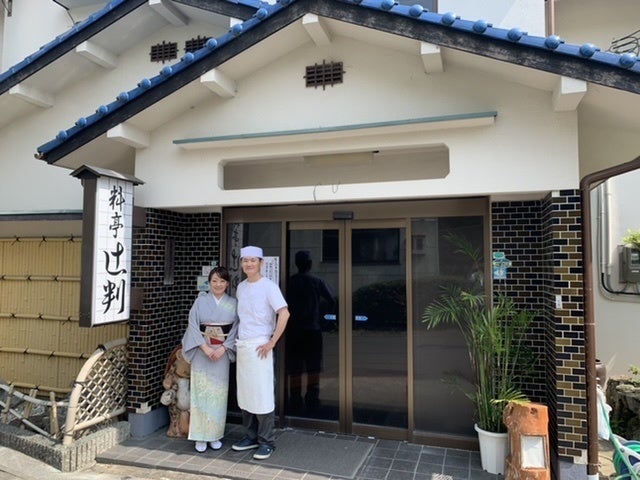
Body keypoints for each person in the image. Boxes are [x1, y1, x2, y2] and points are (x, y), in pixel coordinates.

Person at [231, 245, 290, 460]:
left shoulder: (269, 287)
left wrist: (272, 341)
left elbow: (284, 314)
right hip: (243, 346)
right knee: (245, 393)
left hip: (260, 346)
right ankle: (250, 436)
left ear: (261, 263)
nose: (248, 264)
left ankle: (267, 441)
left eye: (253, 260)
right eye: (245, 260)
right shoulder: (241, 287)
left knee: (262, 394)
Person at [181, 266, 238, 453]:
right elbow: (193, 325)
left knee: (218, 394)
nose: (218, 284)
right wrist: (203, 347)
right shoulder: (200, 301)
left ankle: (215, 435)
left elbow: (236, 327)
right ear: (209, 282)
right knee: (200, 392)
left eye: (222, 281)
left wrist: (224, 347)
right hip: (201, 351)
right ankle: (199, 435)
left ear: (227, 283)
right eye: (214, 281)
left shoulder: (232, 303)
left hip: (221, 354)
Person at [285, 250, 335, 413]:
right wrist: (325, 320)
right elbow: (331, 300)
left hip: (293, 331)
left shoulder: (289, 282)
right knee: (313, 366)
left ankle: (295, 399)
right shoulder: (316, 281)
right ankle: (312, 399)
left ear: (296, 263)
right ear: (310, 264)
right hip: (312, 330)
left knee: (295, 367)